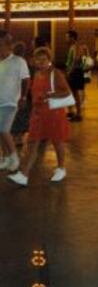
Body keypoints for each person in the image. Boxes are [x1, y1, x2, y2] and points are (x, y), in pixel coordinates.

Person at [8, 47, 71, 186]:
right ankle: (24, 175)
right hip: (38, 114)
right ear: (34, 61)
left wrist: (50, 95)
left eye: (44, 59)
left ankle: (61, 168)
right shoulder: (37, 74)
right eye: (38, 60)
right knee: (32, 143)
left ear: (50, 60)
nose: (41, 62)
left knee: (57, 141)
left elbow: (67, 92)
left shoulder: (56, 74)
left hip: (54, 114)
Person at [0, 31, 30, 173]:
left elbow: (26, 79)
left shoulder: (18, 61)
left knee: (3, 129)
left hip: (11, 102)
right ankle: (5, 158)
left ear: (7, 45)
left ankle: (14, 157)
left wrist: (23, 97)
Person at [10, 41, 32, 154]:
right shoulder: (24, 62)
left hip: (16, 94)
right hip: (20, 94)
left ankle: (16, 136)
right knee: (21, 115)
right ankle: (18, 136)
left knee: (17, 115)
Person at [66, 30, 84, 122]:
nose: (66, 39)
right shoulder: (73, 46)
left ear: (72, 37)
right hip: (73, 71)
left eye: (67, 37)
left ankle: (78, 113)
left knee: (75, 92)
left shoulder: (76, 46)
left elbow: (76, 59)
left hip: (75, 72)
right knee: (72, 92)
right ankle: (72, 111)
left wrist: (70, 71)